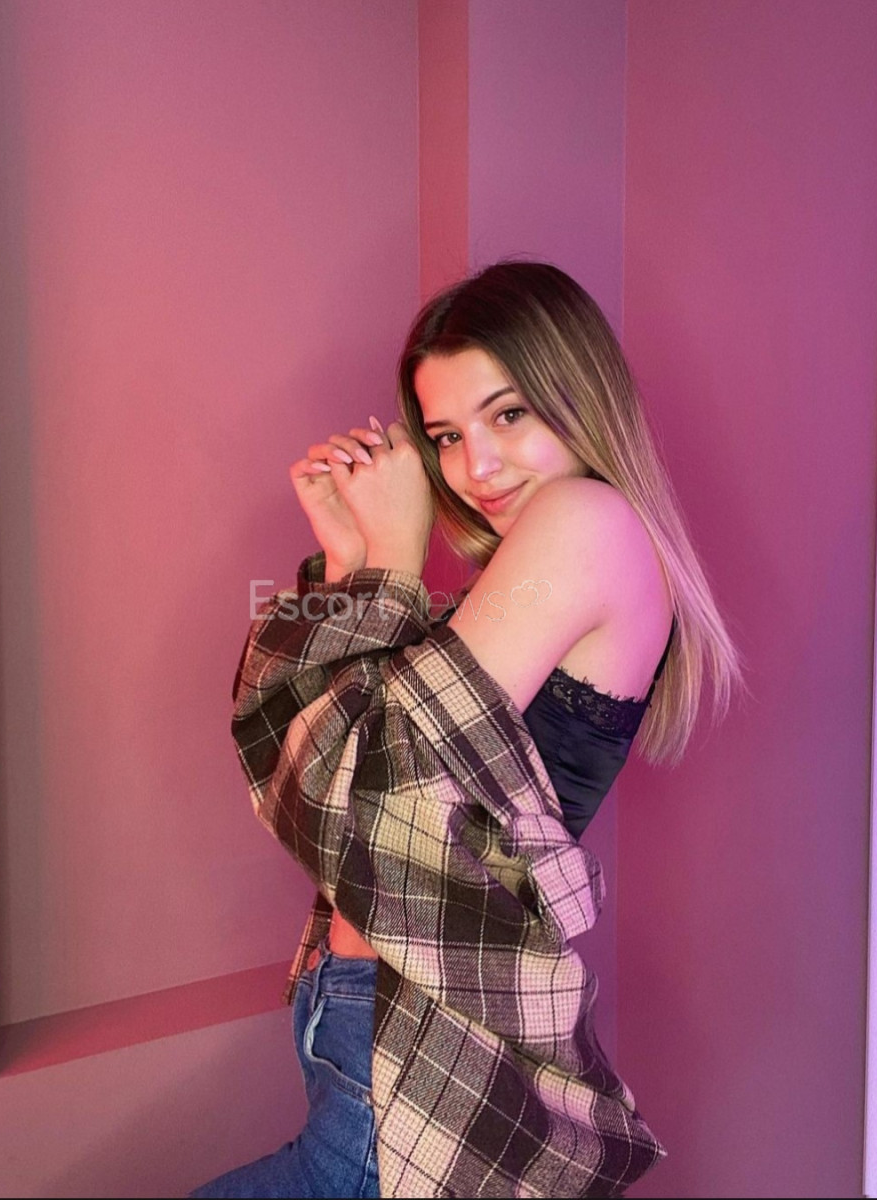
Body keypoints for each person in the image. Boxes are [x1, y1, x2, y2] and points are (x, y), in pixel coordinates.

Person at [190, 261, 743, 1199]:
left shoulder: (585, 520)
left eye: (508, 414)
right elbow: (335, 761)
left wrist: (392, 566)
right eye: (446, 435)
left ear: (581, 393)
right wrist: (353, 564)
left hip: (411, 1040)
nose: (474, 467)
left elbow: (353, 793)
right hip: (380, 1016)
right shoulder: (556, 546)